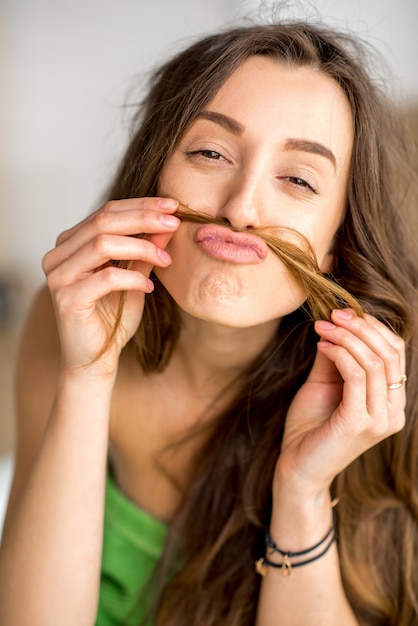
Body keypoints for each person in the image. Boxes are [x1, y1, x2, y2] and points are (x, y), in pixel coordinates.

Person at [0, 18, 417, 626]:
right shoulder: (68, 318)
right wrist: (88, 377)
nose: (241, 208)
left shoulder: (381, 399)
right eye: (210, 153)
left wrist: (301, 490)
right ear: (155, 175)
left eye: (298, 179)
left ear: (336, 247)